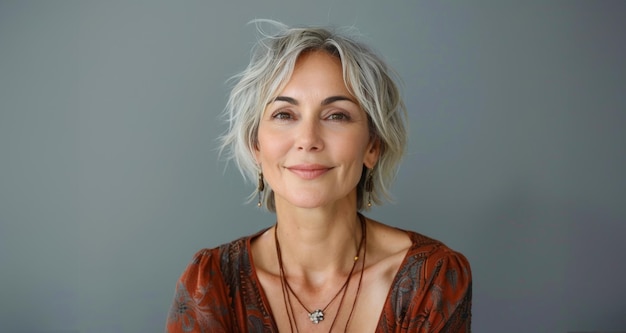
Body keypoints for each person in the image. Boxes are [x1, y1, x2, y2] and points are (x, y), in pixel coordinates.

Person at [166, 20, 471, 332]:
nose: (308, 139)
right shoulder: (212, 282)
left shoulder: (432, 277)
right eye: (284, 115)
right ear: (255, 145)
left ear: (373, 146)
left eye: (336, 115)